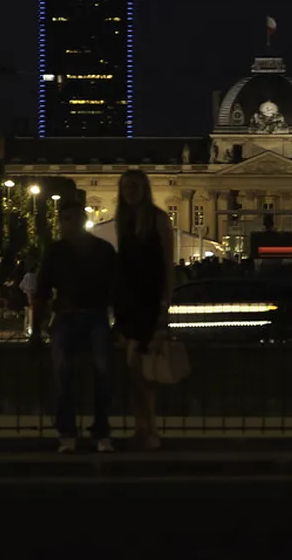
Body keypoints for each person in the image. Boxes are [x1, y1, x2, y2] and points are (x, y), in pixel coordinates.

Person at [32, 200, 118, 454]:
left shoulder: (93, 250)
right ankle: (79, 433)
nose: (67, 225)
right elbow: (42, 291)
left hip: (81, 316)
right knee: (69, 374)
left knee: (96, 375)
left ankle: (85, 432)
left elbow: (42, 293)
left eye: (71, 219)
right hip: (79, 317)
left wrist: (37, 330)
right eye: (65, 219)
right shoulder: (93, 249)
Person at [113, 169, 175, 451]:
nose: (130, 192)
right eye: (126, 187)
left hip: (149, 301)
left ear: (145, 189)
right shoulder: (124, 221)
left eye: (135, 186)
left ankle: (149, 430)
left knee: (143, 370)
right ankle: (143, 427)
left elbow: (167, 265)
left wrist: (164, 304)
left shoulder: (158, 219)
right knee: (133, 370)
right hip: (128, 302)